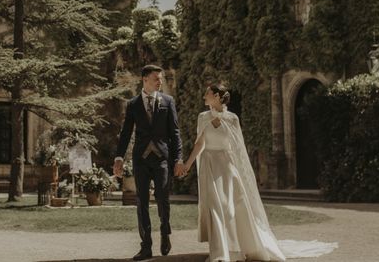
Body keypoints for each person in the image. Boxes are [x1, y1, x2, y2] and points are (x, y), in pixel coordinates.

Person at [179, 84, 336, 262]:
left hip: (227, 166)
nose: (204, 97)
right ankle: (220, 254)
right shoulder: (202, 117)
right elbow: (199, 144)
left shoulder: (232, 119)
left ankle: (235, 249)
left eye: (207, 94)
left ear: (216, 96)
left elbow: (239, 149)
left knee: (229, 208)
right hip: (209, 165)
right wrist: (187, 165)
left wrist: (243, 173)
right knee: (215, 206)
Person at [113, 64, 184, 261]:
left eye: (160, 79)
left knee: (163, 199)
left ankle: (164, 233)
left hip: (162, 159)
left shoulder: (168, 102)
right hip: (141, 160)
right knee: (141, 202)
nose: (160, 82)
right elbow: (126, 132)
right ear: (145, 79)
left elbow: (175, 133)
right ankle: (146, 246)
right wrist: (119, 157)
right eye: (156, 79)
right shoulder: (133, 104)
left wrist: (178, 158)